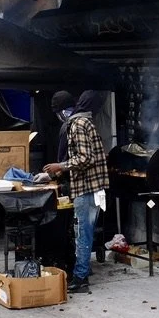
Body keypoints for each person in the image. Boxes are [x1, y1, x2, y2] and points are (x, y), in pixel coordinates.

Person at [44, 90, 109, 293]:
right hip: (94, 187)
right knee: (85, 233)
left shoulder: (78, 124)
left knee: (82, 233)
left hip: (87, 188)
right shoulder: (86, 122)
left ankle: (80, 278)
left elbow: (85, 157)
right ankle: (83, 270)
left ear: (63, 111)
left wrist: (60, 166)